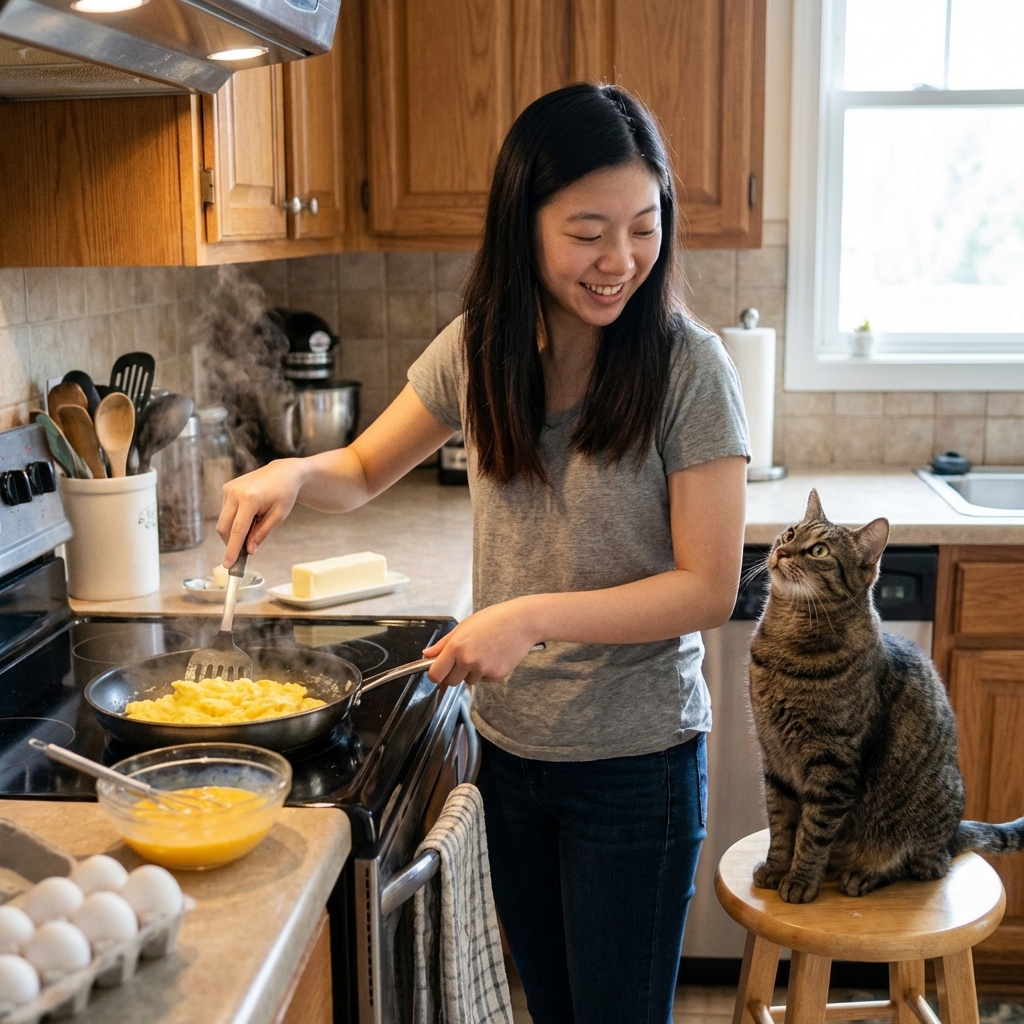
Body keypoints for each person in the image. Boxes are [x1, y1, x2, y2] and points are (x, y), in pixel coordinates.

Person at [218, 83, 749, 1024]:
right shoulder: (480, 349)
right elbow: (362, 467)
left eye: (642, 225)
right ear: (523, 223)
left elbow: (707, 587)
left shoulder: (688, 367)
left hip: (638, 767)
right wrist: (294, 473)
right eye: (587, 232)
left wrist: (528, 618)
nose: (619, 260)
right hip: (510, 754)